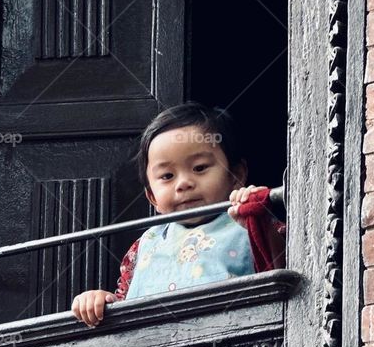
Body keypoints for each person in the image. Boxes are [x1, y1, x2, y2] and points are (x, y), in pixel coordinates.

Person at [71, 102, 285, 327]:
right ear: (152, 197)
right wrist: (102, 303)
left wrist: (257, 221)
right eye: (167, 176)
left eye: (200, 168)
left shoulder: (249, 222)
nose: (183, 183)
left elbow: (286, 279)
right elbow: (125, 304)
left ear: (236, 175)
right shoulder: (145, 244)